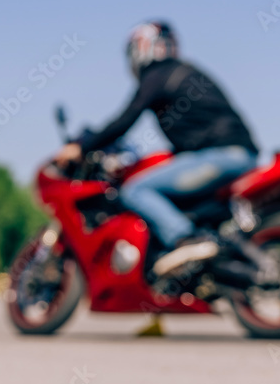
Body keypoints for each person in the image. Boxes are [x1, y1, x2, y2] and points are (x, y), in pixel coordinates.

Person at [55, 20, 260, 276]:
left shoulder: (158, 75)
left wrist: (82, 146)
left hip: (221, 156)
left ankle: (185, 239)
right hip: (237, 154)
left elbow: (125, 119)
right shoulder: (183, 72)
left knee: (135, 190)